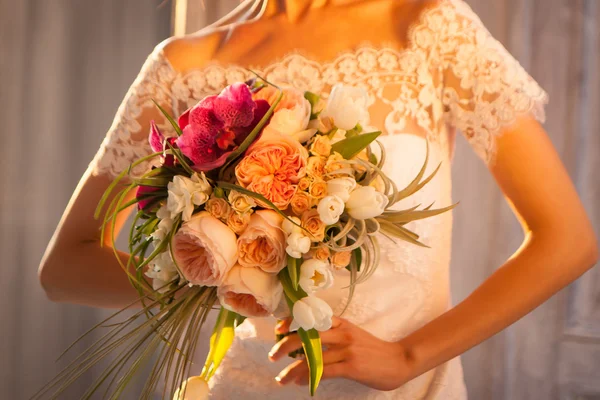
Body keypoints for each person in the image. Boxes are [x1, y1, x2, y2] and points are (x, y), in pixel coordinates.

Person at [38, 0, 598, 398]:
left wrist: (409, 358)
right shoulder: (183, 65)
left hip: (405, 391)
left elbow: (566, 239)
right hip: (240, 385)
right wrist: (219, 274)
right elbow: (65, 267)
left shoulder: (426, 25)